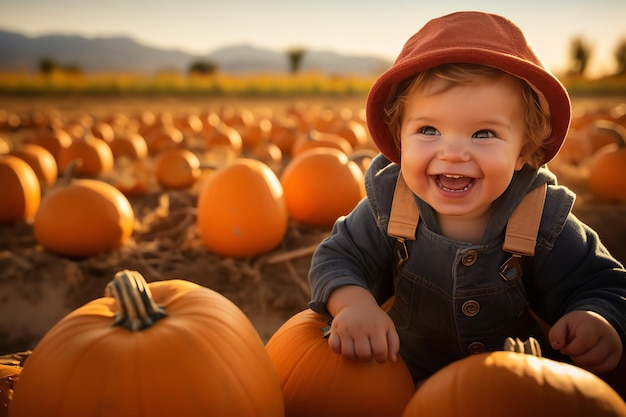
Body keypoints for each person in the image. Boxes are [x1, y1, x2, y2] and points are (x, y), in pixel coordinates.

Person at [307, 11, 625, 388]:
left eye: (483, 133)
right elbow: (337, 257)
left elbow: (604, 282)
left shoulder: (541, 218)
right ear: (400, 139)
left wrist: (597, 315)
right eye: (429, 130)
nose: (453, 152)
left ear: (523, 150)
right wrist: (353, 303)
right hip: (406, 381)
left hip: (518, 388)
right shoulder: (392, 205)